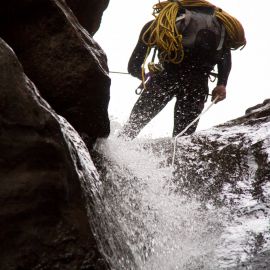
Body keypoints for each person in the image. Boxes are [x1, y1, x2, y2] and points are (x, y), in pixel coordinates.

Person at [120, 0, 246, 139]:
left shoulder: (161, 24)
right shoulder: (221, 27)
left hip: (164, 79)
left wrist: (146, 75)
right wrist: (222, 84)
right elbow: (225, 58)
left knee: (132, 127)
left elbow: (133, 66)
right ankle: (175, 159)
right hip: (196, 87)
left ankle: (112, 152)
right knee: (182, 138)